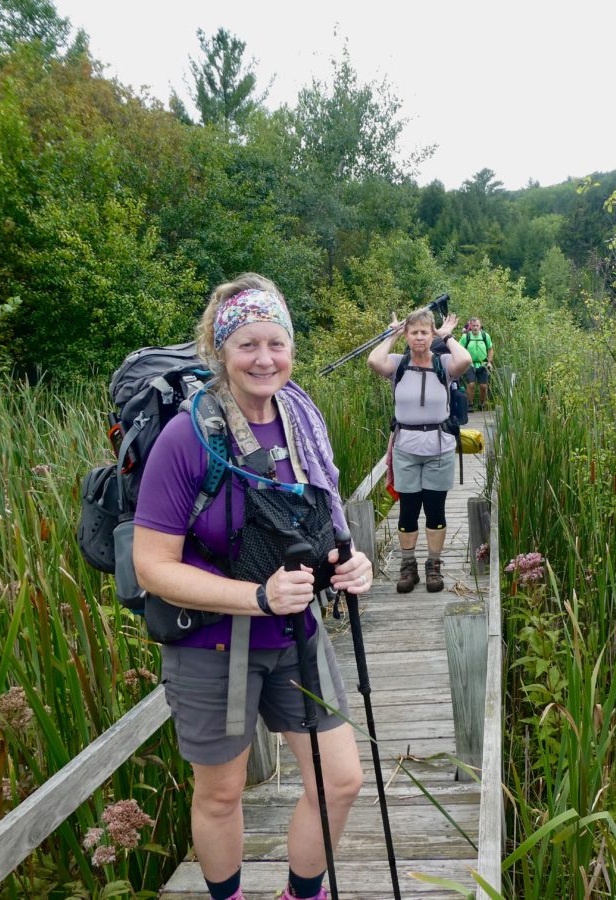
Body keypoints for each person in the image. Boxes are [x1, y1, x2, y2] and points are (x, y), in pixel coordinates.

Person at [134, 274, 370, 900]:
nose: (265, 358)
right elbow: (152, 566)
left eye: (276, 342)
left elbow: (321, 517)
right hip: (211, 642)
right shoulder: (186, 438)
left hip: (296, 631)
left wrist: (350, 563)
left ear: (291, 346)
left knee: (339, 780)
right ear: (219, 350)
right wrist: (256, 598)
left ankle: (301, 893)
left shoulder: (302, 417)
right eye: (246, 344)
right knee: (221, 793)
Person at [366, 307, 471, 593]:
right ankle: (408, 566)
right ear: (407, 336)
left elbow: (466, 360)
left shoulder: (444, 363)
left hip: (439, 447)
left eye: (425, 332)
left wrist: (446, 336)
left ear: (431, 333)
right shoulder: (398, 364)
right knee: (408, 511)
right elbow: (373, 360)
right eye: (414, 333)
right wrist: (391, 334)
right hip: (406, 448)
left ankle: (434, 566)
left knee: (435, 510)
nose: (420, 338)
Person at [459, 317, 494, 410]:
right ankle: (469, 405)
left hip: (483, 364)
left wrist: (489, 362)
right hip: (469, 364)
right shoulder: (465, 337)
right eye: (473, 325)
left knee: (483, 386)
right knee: (471, 385)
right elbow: (459, 350)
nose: (475, 327)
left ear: (480, 326)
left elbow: (490, 349)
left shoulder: (485, 336)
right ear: (470, 326)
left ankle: (482, 404)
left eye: (477, 325)